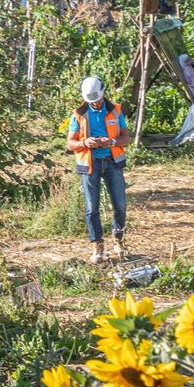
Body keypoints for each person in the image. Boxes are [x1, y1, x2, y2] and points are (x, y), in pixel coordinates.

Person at [65, 76, 131, 263]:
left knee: (120, 204)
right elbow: (70, 143)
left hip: (112, 162)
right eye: (91, 101)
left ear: (103, 95)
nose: (95, 104)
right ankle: (97, 245)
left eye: (97, 100)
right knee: (91, 207)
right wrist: (85, 142)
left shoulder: (115, 111)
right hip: (90, 164)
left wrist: (110, 142)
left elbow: (125, 138)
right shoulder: (78, 114)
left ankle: (118, 240)